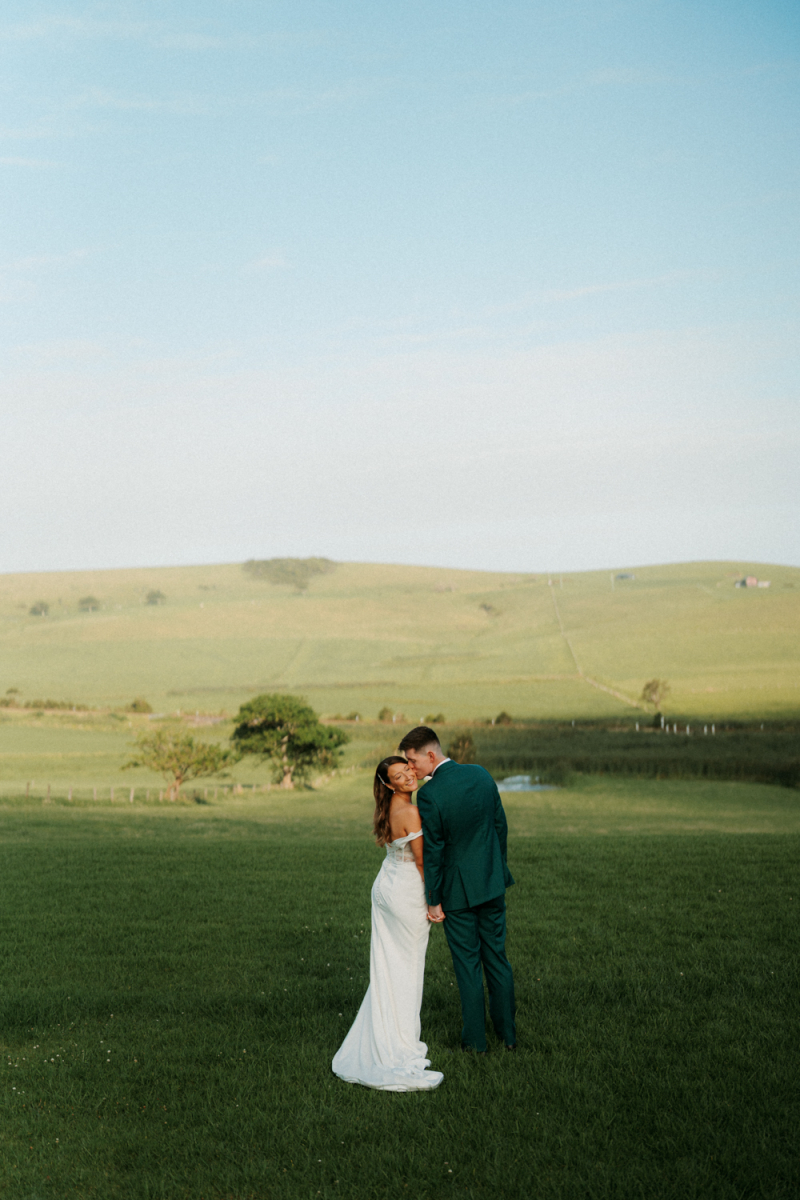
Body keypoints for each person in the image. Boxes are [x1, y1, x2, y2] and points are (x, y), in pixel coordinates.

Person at [398, 726, 516, 1054]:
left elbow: (433, 852)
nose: (411, 768)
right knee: (497, 957)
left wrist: (433, 900)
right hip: (492, 884)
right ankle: (508, 1035)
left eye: (413, 760)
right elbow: (499, 827)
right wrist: (496, 869)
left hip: (457, 893)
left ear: (430, 755)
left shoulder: (430, 795)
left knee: (467, 964)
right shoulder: (480, 775)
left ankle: (476, 1042)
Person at [331, 756, 444, 1091]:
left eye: (408, 769)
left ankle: (386, 1030)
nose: (409, 775)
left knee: (389, 968)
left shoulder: (391, 807)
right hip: (406, 891)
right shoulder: (409, 811)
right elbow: (422, 861)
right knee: (407, 969)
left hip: (386, 887)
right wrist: (434, 902)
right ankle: (398, 1043)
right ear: (390, 784)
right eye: (399, 775)